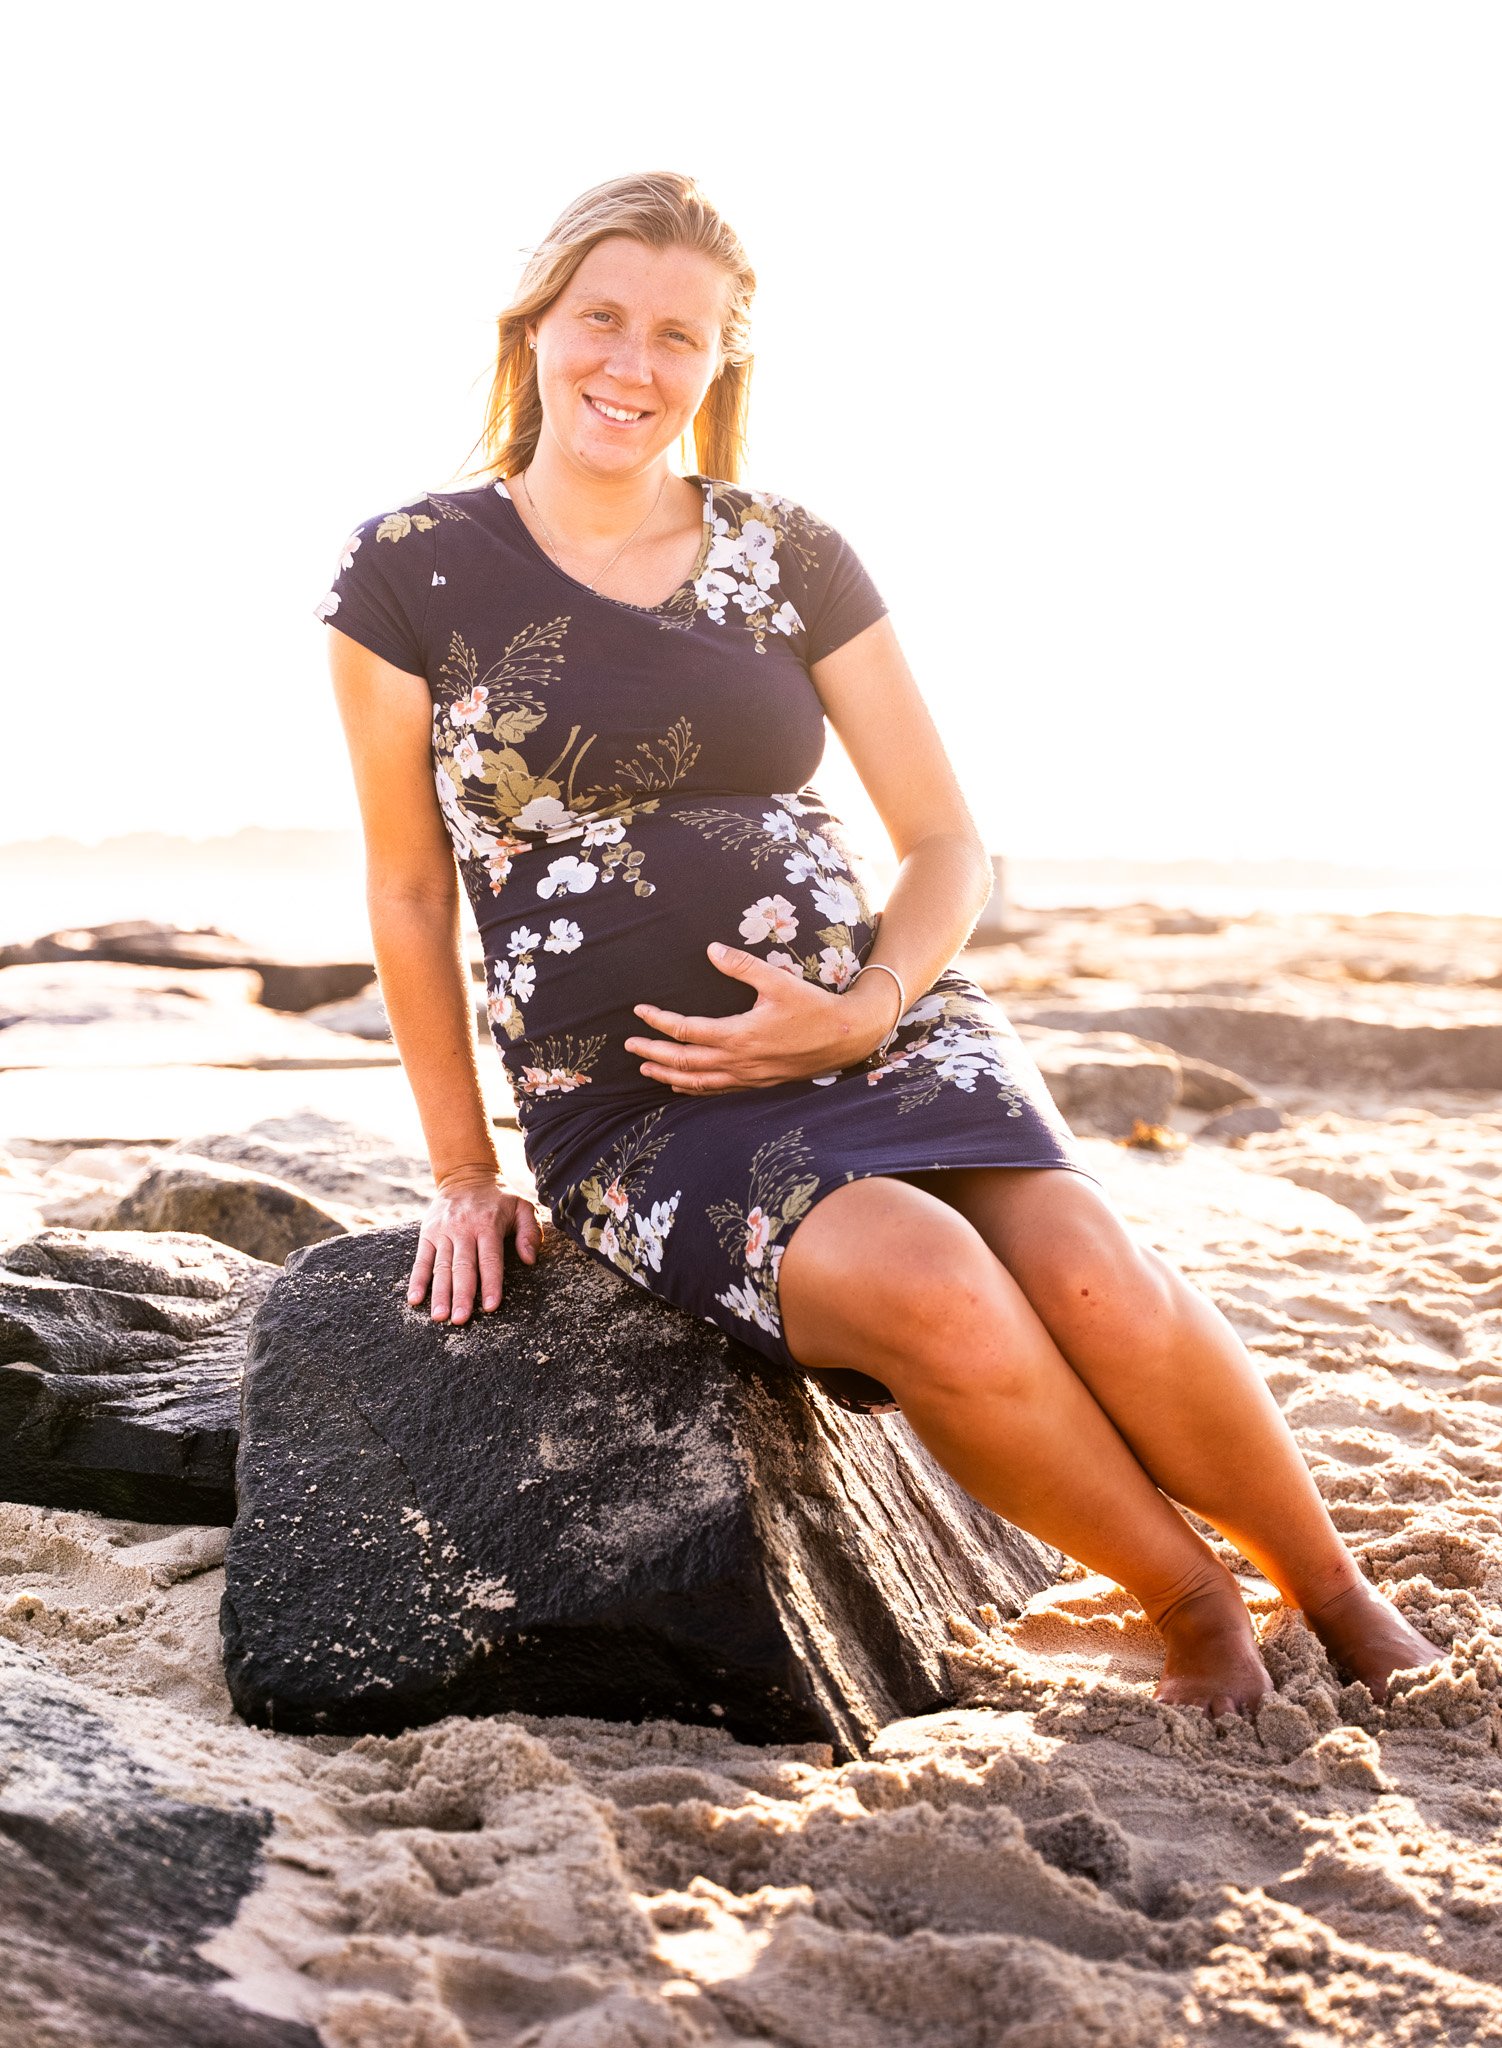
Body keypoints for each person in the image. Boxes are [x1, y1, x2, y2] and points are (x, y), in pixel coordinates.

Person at [318, 170, 1437, 1718]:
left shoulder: (790, 552)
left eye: (678, 337)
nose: (632, 365)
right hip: (641, 1099)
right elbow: (408, 894)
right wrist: (460, 1171)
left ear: (720, 368)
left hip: (883, 1023)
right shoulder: (407, 567)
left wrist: (863, 1008)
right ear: (534, 332)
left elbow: (943, 843)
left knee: (1088, 1268)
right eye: (602, 320)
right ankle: (1189, 1604)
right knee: (933, 1284)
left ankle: (1333, 1587)